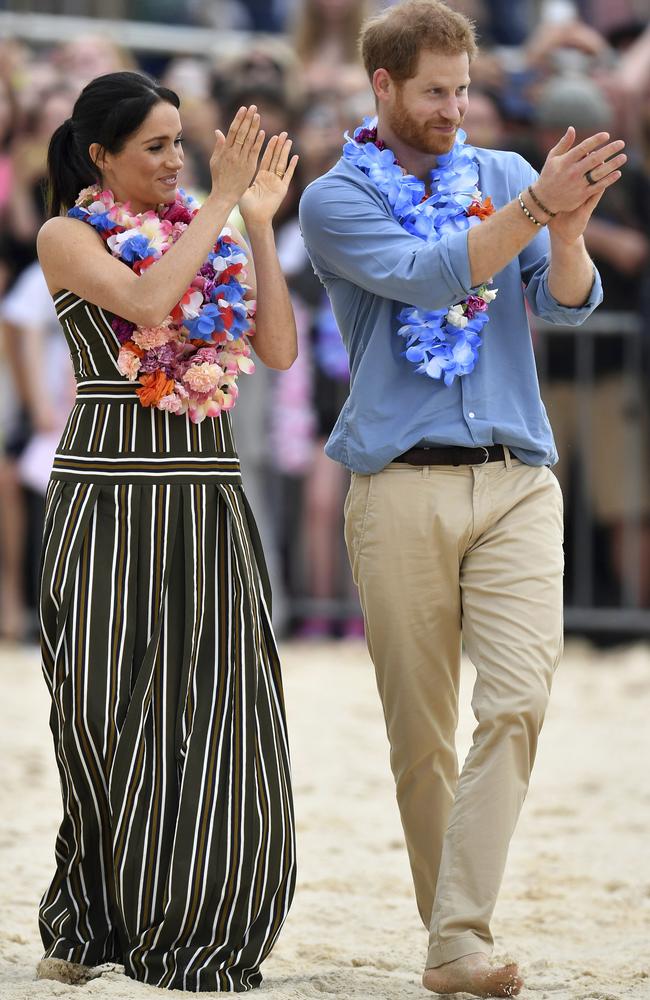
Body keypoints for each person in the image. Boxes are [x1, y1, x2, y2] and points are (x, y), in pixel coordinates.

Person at [299, 0, 624, 995]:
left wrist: (564, 231)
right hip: (396, 482)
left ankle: (456, 935)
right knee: (419, 732)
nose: (455, 109)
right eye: (435, 92)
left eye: (465, 88)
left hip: (517, 474)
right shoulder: (332, 198)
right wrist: (531, 211)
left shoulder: (505, 176)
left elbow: (560, 301)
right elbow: (430, 275)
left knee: (519, 701)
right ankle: (456, 943)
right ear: (382, 86)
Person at [35, 70, 298, 992]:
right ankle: (96, 914)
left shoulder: (208, 225)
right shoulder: (65, 235)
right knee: (104, 714)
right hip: (108, 499)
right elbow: (146, 306)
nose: (176, 160)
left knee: (219, 713)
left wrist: (253, 222)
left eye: (181, 143)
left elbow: (274, 350)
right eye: (155, 146)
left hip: (204, 493)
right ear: (100, 155)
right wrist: (220, 205)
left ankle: (204, 916)